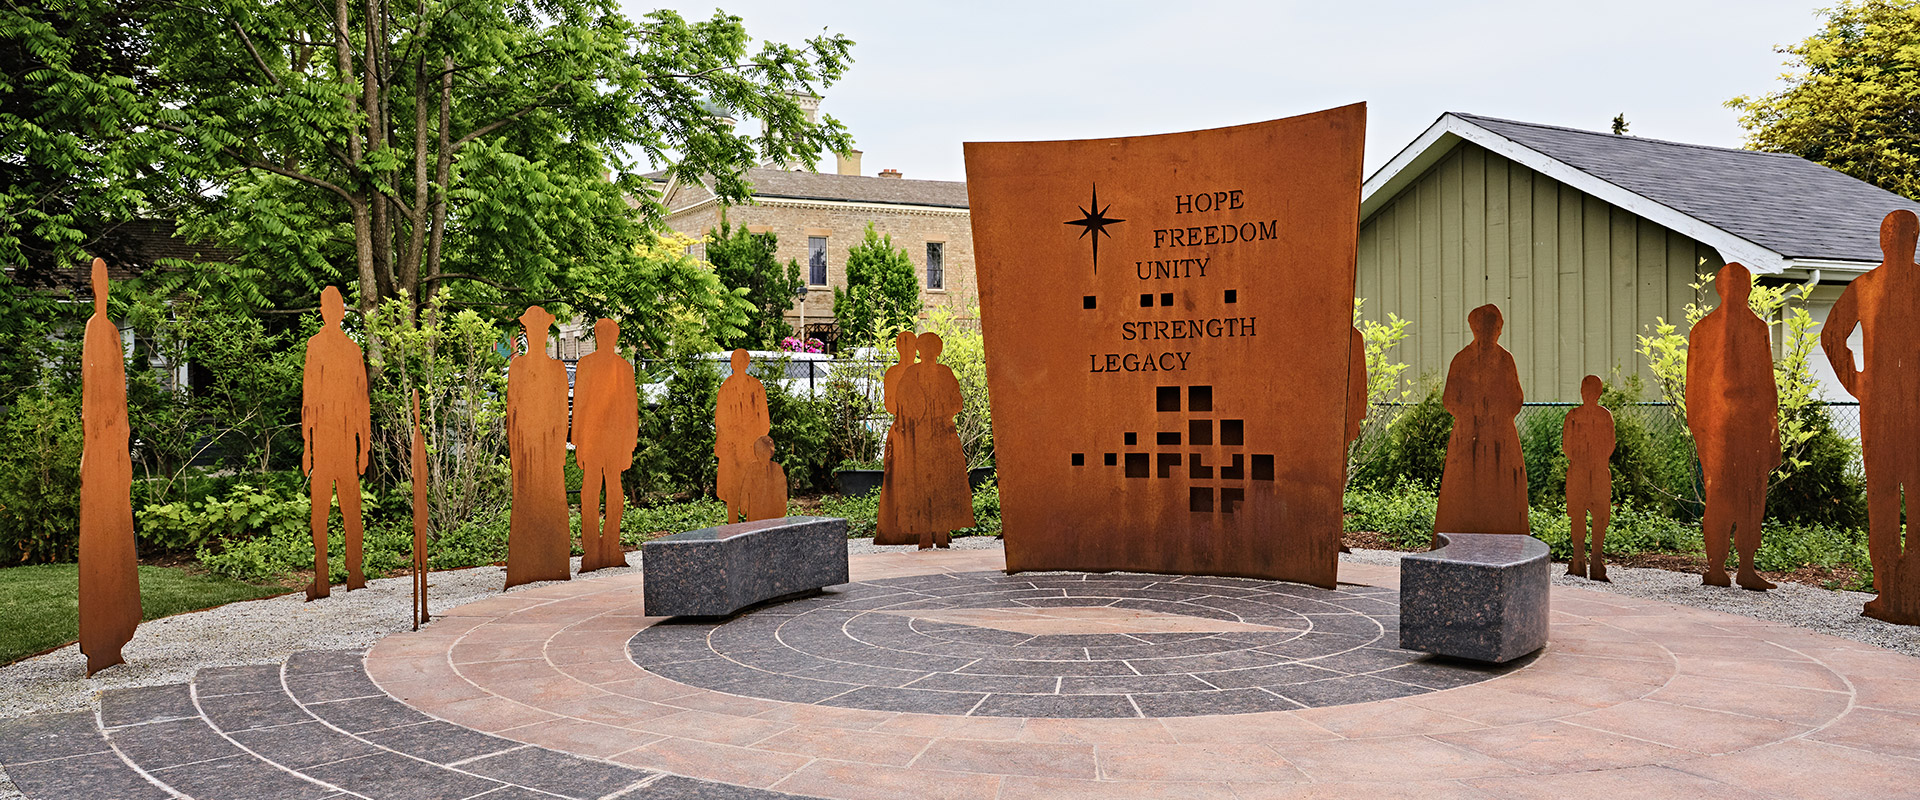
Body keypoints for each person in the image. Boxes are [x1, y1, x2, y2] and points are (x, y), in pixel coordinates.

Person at [1823, 210, 1920, 622]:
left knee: (1913, 498)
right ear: (1882, 240)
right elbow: (1831, 337)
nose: (1897, 241)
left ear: (1914, 239)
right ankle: (1887, 588)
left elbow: (1832, 338)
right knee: (1883, 498)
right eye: (1892, 234)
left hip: (1911, 408)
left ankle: (1911, 588)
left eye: (1905, 234)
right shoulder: (1864, 287)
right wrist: (1857, 383)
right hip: (1879, 406)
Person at [1687, 263, 1779, 591]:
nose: (1741, 291)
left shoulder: (1757, 329)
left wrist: (1773, 434)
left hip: (1751, 426)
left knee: (1751, 496)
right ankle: (1716, 566)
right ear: (1722, 289)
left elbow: (1768, 387)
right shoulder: (1704, 331)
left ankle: (1746, 567)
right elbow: (1694, 388)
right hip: (1718, 428)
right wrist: (1700, 429)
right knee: (1722, 494)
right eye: (1735, 284)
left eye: (1744, 285)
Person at [79, 259, 140, 674]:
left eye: (105, 283)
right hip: (101, 447)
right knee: (101, 533)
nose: (102, 289)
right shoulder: (93, 331)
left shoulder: (114, 334)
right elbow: (91, 398)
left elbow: (119, 395)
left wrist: (123, 444)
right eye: (97, 283)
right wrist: (92, 449)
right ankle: (101, 640)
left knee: (118, 529)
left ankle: (117, 634)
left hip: (115, 444)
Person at [1434, 304, 1529, 537]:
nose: (1491, 332)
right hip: (1468, 436)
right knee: (1464, 489)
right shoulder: (1462, 359)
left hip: (1501, 438)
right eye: (1485, 327)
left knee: (1504, 489)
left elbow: (1516, 398)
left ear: (1499, 329)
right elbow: (1449, 399)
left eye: (1495, 327)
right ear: (1474, 328)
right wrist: (1471, 415)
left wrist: (1497, 413)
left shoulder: (1505, 360)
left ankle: (1508, 541)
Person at [302, 286, 372, 599]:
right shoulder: (343, 349)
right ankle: (337, 573)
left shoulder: (332, 348)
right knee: (341, 509)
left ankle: (336, 574)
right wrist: (363, 446)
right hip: (335, 442)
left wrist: (364, 446)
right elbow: (312, 399)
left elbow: (359, 401)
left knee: (337, 510)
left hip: (334, 442)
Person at [505, 306, 571, 588]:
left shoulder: (557, 369)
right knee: (526, 498)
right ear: (526, 334)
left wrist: (558, 448)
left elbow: (560, 413)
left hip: (549, 446)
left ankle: (553, 557)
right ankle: (525, 560)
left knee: (553, 496)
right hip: (525, 447)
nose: (537, 335)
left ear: (546, 333)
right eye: (531, 330)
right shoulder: (517, 367)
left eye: (541, 330)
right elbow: (512, 412)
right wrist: (516, 453)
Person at [573, 319, 637, 573]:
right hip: (595, 439)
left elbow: (630, 408)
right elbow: (579, 403)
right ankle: (594, 549)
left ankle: (610, 546)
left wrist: (629, 443)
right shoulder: (589, 366)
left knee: (610, 490)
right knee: (592, 491)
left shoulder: (622, 368)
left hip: (611, 439)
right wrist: (577, 441)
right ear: (598, 336)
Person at [907, 333, 976, 549]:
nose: (928, 352)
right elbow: (904, 402)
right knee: (923, 481)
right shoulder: (913, 373)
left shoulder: (945, 373)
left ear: (938, 350)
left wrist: (941, 411)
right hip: (922, 434)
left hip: (943, 433)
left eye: (931, 347)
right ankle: (925, 533)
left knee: (944, 480)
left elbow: (958, 402)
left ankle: (942, 531)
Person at [1563, 375, 1616, 581]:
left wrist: (1588, 459)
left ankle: (1593, 560)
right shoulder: (1577, 416)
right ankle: (1579, 560)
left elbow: (1609, 445)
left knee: (1599, 516)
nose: (1588, 396)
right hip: (1585, 470)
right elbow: (1568, 446)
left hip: (1592, 470)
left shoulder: (1597, 416)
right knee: (1579, 514)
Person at [715, 349, 771, 524]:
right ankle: (734, 523)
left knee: (750, 485)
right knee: (733, 486)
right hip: (734, 446)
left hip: (749, 446)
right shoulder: (726, 387)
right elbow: (720, 420)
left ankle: (750, 522)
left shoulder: (756, 387)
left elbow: (764, 420)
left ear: (746, 363)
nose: (737, 364)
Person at [875, 332, 918, 546]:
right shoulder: (892, 373)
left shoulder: (921, 372)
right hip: (901, 430)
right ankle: (897, 528)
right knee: (898, 477)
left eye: (912, 345)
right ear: (898, 347)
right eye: (904, 344)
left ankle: (922, 527)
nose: (908, 349)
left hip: (920, 430)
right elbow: (889, 404)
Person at [743, 436, 789, 522]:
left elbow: (781, 490)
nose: (762, 454)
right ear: (756, 452)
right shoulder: (753, 467)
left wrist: (782, 508)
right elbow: (746, 487)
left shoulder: (777, 468)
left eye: (765, 451)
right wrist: (743, 504)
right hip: (755, 510)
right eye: (759, 451)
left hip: (773, 511)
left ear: (770, 452)